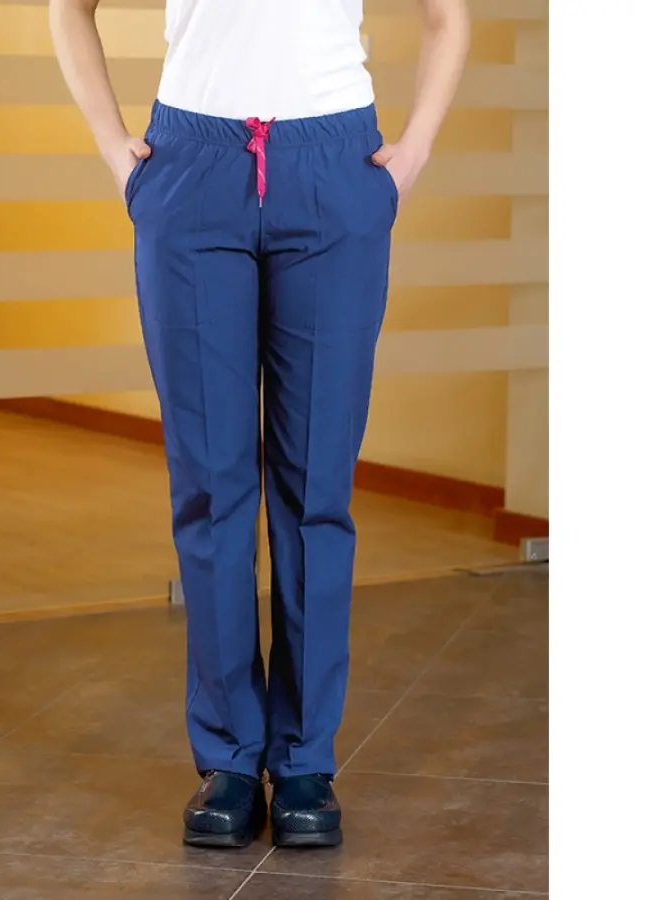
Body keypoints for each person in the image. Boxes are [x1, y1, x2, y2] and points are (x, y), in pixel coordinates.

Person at [49, 0, 470, 849]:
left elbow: (446, 16)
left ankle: (305, 756)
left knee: (317, 489)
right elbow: (69, 8)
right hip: (191, 167)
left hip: (334, 168)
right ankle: (230, 760)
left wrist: (412, 152)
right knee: (211, 486)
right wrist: (114, 149)